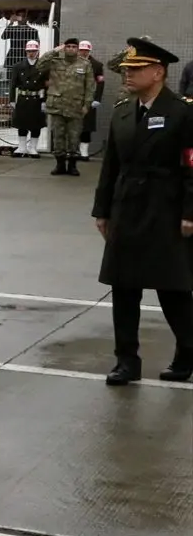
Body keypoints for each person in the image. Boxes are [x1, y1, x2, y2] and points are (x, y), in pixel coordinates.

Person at [92, 38, 193, 384]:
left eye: (136, 69)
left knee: (173, 288)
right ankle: (126, 360)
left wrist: (189, 213)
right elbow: (110, 167)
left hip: (166, 209)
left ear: (159, 72)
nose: (127, 74)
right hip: (126, 209)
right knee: (124, 287)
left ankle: (187, 353)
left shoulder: (182, 112)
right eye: (126, 69)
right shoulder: (122, 111)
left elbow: (191, 167)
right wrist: (102, 210)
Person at [38, 38, 96, 176]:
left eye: (73, 46)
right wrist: (54, 51)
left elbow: (90, 87)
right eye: (68, 46)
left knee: (74, 138)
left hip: (76, 107)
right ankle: (60, 165)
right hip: (57, 106)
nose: (71, 49)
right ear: (64, 48)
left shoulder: (85, 64)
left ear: (77, 49)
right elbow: (39, 65)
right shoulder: (55, 62)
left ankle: (72, 165)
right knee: (58, 137)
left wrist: (87, 105)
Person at [9, 40, 46, 157]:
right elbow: (12, 84)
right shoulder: (18, 66)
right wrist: (12, 100)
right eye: (29, 51)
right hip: (23, 98)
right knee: (22, 124)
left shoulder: (43, 67)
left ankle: (33, 148)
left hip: (36, 98)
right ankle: (22, 147)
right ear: (26, 51)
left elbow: (47, 85)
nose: (31, 53)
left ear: (37, 52)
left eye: (34, 51)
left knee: (36, 125)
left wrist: (45, 101)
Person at [76, 41, 105, 160]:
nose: (83, 52)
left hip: (88, 100)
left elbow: (100, 83)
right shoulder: (72, 62)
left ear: (89, 51)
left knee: (86, 126)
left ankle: (84, 152)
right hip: (74, 99)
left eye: (86, 50)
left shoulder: (97, 65)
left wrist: (97, 99)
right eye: (81, 50)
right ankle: (72, 150)